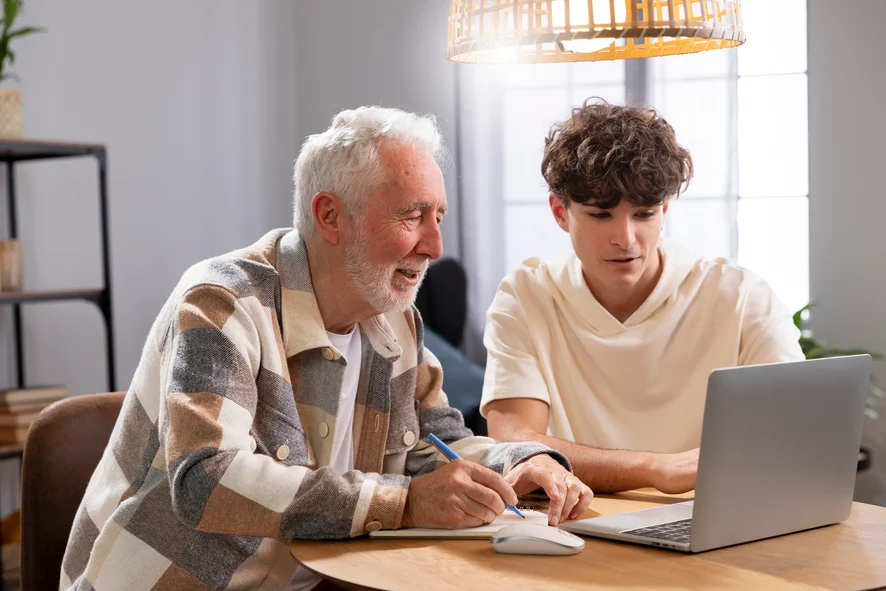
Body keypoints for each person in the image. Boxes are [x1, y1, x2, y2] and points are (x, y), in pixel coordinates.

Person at [60, 107, 592, 591]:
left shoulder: (395, 319)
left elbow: (438, 444)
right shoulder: (223, 303)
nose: (435, 245)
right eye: (412, 215)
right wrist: (403, 503)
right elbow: (206, 479)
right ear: (330, 216)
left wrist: (523, 462)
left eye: (439, 216)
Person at [481, 100, 804, 496]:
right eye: (601, 215)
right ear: (559, 212)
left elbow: (792, 437)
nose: (626, 239)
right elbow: (516, 441)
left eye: (645, 214)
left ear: (665, 208)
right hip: (581, 527)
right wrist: (655, 469)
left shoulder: (742, 298)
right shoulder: (525, 296)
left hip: (713, 521)